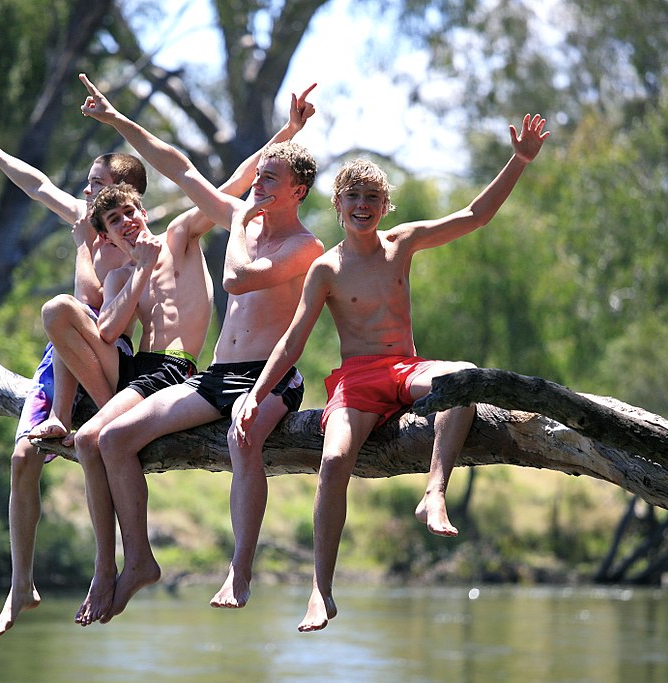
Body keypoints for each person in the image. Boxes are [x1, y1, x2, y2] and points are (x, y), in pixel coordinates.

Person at [233, 114, 551, 632]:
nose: (362, 206)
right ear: (338, 205)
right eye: (353, 197)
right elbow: (293, 339)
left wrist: (518, 161)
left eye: (372, 199)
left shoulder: (402, 242)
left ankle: (435, 492)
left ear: (385, 207)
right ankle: (321, 591)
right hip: (358, 378)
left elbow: (474, 214)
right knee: (334, 460)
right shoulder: (326, 269)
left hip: (407, 367)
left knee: (463, 378)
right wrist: (256, 393)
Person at [77, 73, 325, 621]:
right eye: (256, 175)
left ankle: (240, 566)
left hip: (270, 376)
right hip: (215, 376)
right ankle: (138, 560)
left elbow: (239, 279)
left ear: (297, 191)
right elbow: (179, 166)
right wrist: (118, 120)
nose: (256, 184)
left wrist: (238, 223)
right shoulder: (240, 215)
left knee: (242, 440)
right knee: (113, 439)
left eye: (270, 178)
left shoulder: (305, 245)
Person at [0, 117, 146, 638]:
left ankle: (113, 562)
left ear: (123, 192)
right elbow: (37, 184)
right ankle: (21, 586)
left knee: (61, 309)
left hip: (111, 363)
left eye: (95, 183)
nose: (85, 190)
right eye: (86, 183)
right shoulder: (85, 225)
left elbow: (142, 325)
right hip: (60, 354)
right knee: (20, 457)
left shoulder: (139, 243)